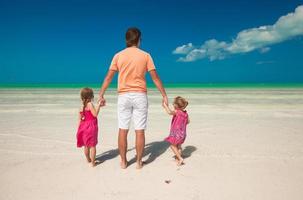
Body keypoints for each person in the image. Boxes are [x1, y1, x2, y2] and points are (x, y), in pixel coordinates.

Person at [98, 27, 168, 169]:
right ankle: (138, 162)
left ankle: (123, 162)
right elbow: (155, 78)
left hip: (123, 96)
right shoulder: (146, 55)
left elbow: (108, 77)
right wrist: (164, 95)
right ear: (139, 39)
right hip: (140, 95)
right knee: (139, 130)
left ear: (126, 40)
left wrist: (101, 94)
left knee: (123, 129)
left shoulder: (118, 56)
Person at [76, 87, 102, 167]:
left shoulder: (81, 107)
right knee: (92, 146)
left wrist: (78, 130)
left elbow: (79, 120)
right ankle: (93, 163)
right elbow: (95, 114)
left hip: (83, 127)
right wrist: (99, 106)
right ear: (91, 96)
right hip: (91, 127)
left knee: (86, 145)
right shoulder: (90, 104)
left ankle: (88, 159)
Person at [162, 96, 189, 166]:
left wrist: (165, 106)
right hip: (183, 134)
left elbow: (169, 112)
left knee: (172, 146)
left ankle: (180, 158)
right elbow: (188, 122)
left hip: (176, 133)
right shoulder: (185, 114)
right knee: (179, 146)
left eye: (173, 104)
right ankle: (177, 158)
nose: (173, 104)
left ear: (176, 105)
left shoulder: (177, 112)